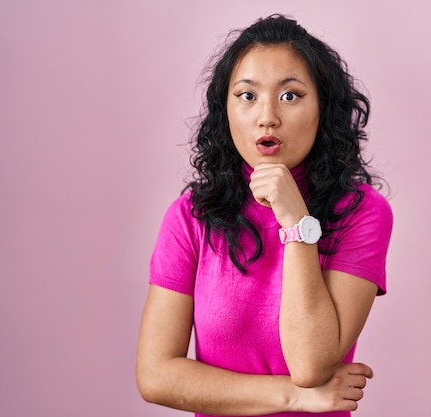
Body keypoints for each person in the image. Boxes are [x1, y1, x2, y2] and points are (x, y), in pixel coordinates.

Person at [136, 14, 393, 417]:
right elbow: (156, 376)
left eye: (290, 95)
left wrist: (297, 224)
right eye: (247, 95)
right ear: (226, 109)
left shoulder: (362, 212)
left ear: (323, 108)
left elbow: (310, 366)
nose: (267, 116)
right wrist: (294, 397)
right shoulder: (189, 217)